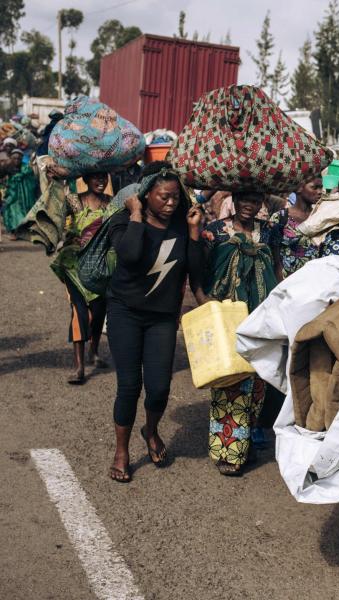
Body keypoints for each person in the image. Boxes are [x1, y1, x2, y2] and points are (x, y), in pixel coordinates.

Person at [105, 162, 205, 482]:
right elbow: (131, 254)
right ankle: (121, 451)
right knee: (129, 385)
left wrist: (193, 232)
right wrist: (135, 214)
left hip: (162, 317)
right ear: (146, 195)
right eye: (164, 197)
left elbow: (196, 270)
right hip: (125, 312)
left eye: (176, 197)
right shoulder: (123, 220)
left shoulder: (180, 224)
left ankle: (151, 428)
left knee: (160, 387)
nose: (171, 203)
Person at [201, 191, 279, 476]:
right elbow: (204, 271)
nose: (249, 205)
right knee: (229, 381)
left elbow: (277, 268)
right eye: (244, 198)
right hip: (228, 317)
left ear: (262, 204)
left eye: (255, 200)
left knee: (257, 385)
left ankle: (244, 443)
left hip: (261, 318)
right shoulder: (216, 232)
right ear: (233, 200)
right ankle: (228, 452)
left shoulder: (268, 233)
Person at [49, 172, 111, 384]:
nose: (101, 182)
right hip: (73, 265)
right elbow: (54, 217)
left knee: (98, 311)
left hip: (100, 268)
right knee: (80, 312)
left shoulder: (110, 204)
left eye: (105, 178)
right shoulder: (74, 200)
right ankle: (79, 367)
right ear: (85, 179)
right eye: (96, 178)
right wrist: (55, 181)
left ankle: (93, 352)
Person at [267, 176, 324, 280]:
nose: (320, 192)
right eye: (315, 187)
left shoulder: (321, 218)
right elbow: (273, 253)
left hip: (313, 280)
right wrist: (279, 279)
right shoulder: (280, 217)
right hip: (286, 280)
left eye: (321, 187)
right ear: (299, 188)